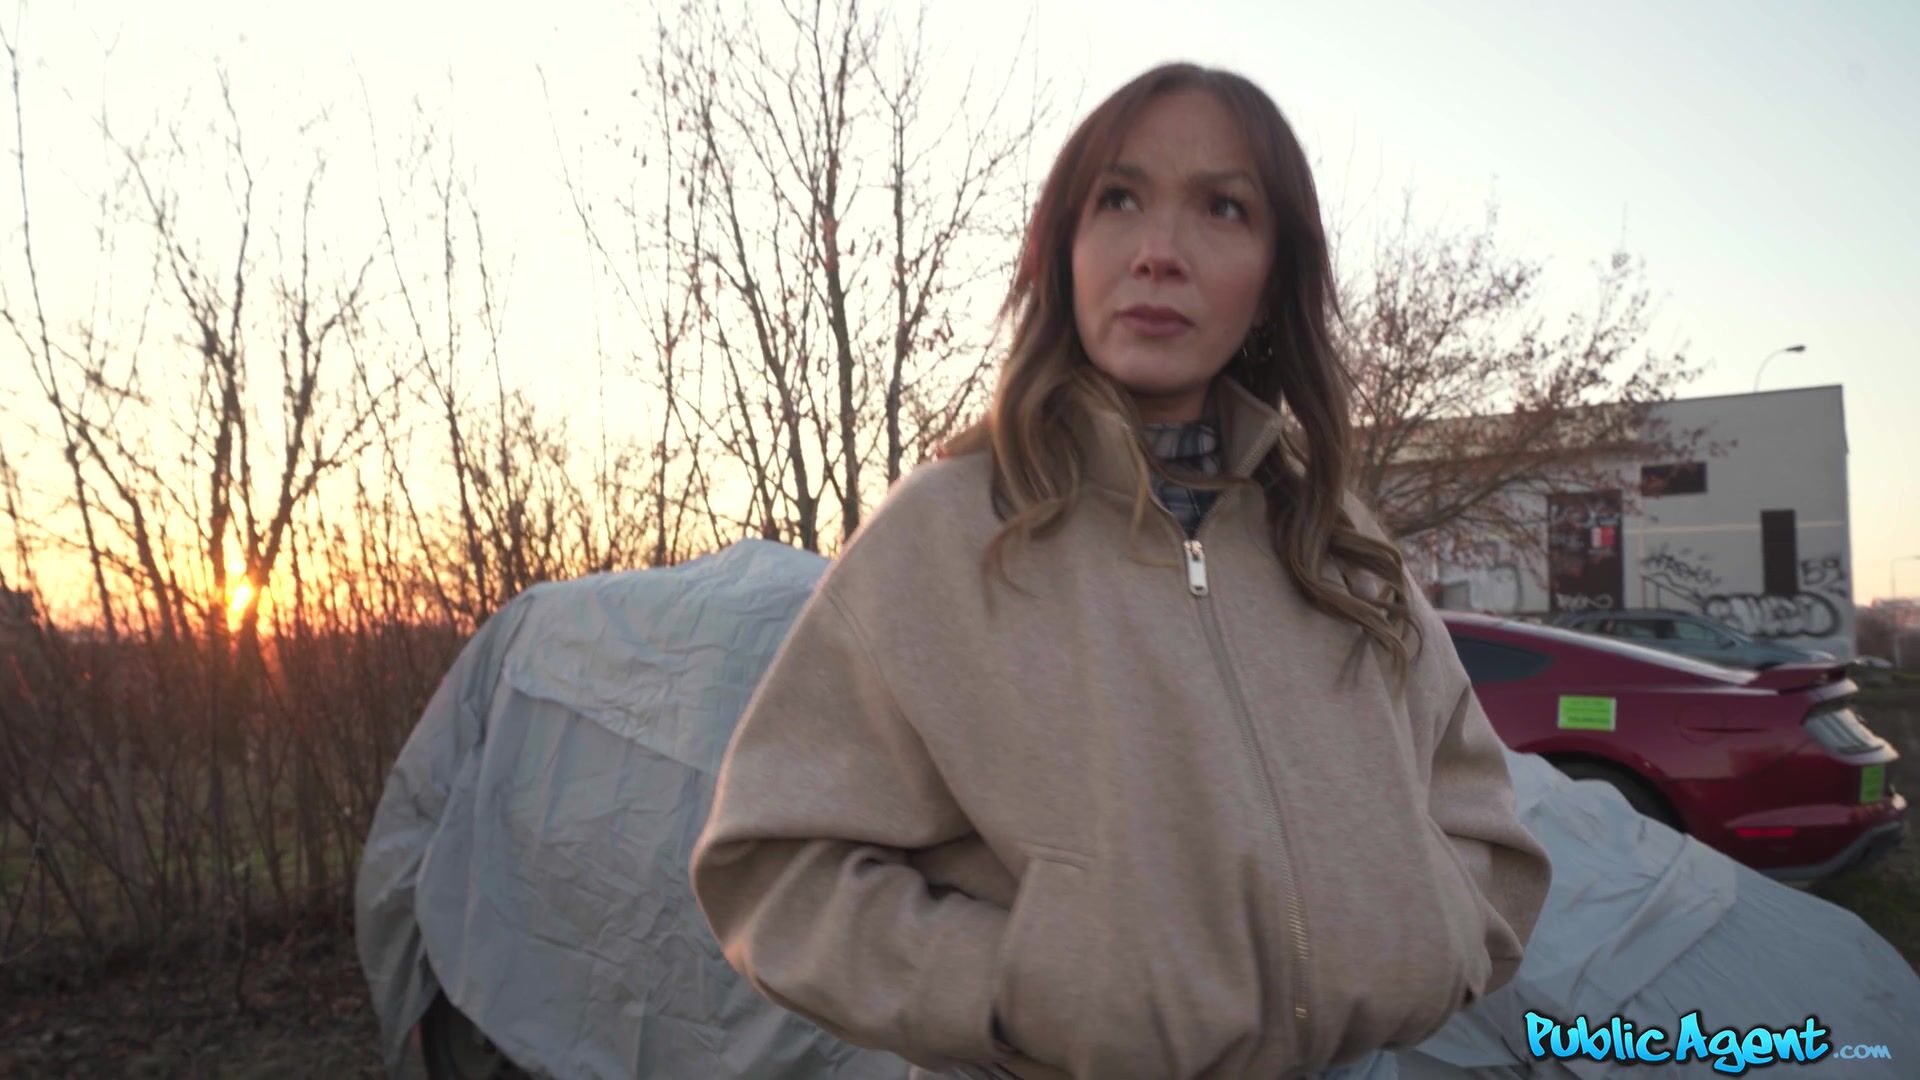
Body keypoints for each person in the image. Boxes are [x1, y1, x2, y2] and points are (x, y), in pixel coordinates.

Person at [690, 62, 1552, 1080]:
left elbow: (1480, 822)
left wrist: (1423, 939)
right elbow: (775, 871)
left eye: (1223, 208)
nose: (1158, 253)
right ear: (1064, 252)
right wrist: (1019, 991)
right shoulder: (948, 532)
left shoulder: (1337, 542)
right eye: (1118, 199)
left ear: (1272, 279)